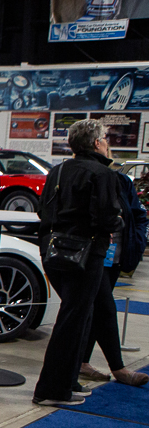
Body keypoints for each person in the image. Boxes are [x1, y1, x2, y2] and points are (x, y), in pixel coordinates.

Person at [31, 119, 124, 406]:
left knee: (79, 316)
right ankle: (51, 390)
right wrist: (117, 223)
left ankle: (68, 382)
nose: (107, 143)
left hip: (54, 251)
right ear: (96, 143)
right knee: (72, 320)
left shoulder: (58, 170)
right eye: (105, 139)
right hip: (85, 255)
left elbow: (43, 210)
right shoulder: (103, 174)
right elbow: (107, 216)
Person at [78, 163, 149, 386]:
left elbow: (138, 214)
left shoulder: (123, 182)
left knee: (98, 309)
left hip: (115, 257)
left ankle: (82, 361)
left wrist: (137, 243)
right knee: (104, 309)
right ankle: (118, 368)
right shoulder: (84, 177)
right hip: (90, 255)